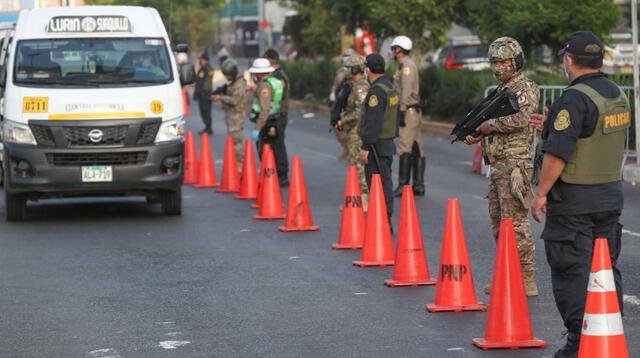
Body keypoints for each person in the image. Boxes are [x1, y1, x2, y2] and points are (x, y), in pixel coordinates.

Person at [530, 31, 628, 358]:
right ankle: (607, 331)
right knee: (604, 269)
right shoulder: (616, 93)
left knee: (573, 272)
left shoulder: (573, 99)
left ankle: (578, 344)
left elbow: (558, 154)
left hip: (574, 203)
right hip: (609, 198)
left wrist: (541, 193)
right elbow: (593, 134)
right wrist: (549, 123)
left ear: (569, 61)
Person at [464, 37, 540, 297]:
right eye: (495, 62)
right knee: (499, 222)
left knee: (516, 222)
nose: (499, 67)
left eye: (504, 61)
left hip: (515, 163)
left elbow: (523, 118)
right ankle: (507, 273)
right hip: (498, 163)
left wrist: (490, 126)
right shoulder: (501, 90)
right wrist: (479, 132)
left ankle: (526, 277)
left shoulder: (525, 87)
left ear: (516, 61)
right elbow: (490, 121)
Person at [359, 53, 398, 221]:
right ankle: (385, 215)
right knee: (385, 180)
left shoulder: (376, 92)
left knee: (377, 183)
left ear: (368, 70)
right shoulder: (389, 87)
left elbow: (373, 122)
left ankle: (383, 217)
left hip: (376, 145)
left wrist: (365, 146)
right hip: (387, 142)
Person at [390, 36, 425, 197]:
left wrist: (402, 110)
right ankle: (418, 185)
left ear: (399, 49)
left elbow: (406, 89)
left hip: (408, 110)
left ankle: (403, 186)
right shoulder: (405, 65)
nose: (392, 51)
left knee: (404, 146)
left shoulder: (406, 67)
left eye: (394, 48)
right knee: (416, 145)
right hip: (412, 110)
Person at [335, 54, 370, 211]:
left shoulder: (361, 87)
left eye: (349, 69)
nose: (347, 71)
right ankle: (357, 198)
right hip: (353, 130)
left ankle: (363, 199)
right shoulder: (353, 85)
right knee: (354, 165)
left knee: (358, 165)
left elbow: (360, 111)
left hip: (357, 130)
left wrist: (344, 120)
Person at [248, 58, 289, 187]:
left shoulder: (265, 86)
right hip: (275, 119)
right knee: (278, 148)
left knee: (265, 151)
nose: (254, 76)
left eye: (255, 74)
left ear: (260, 73)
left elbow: (265, 109)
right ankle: (281, 176)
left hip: (267, 123)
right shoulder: (275, 82)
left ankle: (270, 177)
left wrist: (257, 128)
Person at [211, 59, 247, 169]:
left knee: (237, 142)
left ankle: (241, 165)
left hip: (236, 116)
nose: (226, 77)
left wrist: (220, 98)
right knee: (233, 140)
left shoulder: (239, 84)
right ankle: (238, 164)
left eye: (227, 75)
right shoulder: (234, 83)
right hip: (232, 115)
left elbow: (234, 100)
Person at [263, 49, 290, 186]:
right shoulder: (272, 76)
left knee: (278, 144)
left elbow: (275, 96)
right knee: (271, 144)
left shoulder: (280, 77)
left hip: (278, 115)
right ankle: (273, 173)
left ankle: (282, 175)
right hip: (271, 115)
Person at [330, 48, 356, 160]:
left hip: (349, 103)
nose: (346, 57)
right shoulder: (340, 71)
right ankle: (347, 148)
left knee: (349, 127)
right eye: (345, 55)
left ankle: (351, 150)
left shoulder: (355, 71)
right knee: (336, 126)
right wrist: (332, 94)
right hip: (339, 101)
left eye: (348, 55)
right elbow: (336, 84)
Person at [194, 52, 214, 134]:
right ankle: (208, 127)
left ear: (205, 60)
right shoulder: (210, 68)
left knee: (204, 111)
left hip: (203, 93)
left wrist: (196, 93)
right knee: (207, 111)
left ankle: (208, 128)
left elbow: (200, 82)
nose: (200, 61)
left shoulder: (203, 69)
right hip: (208, 92)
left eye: (201, 59)